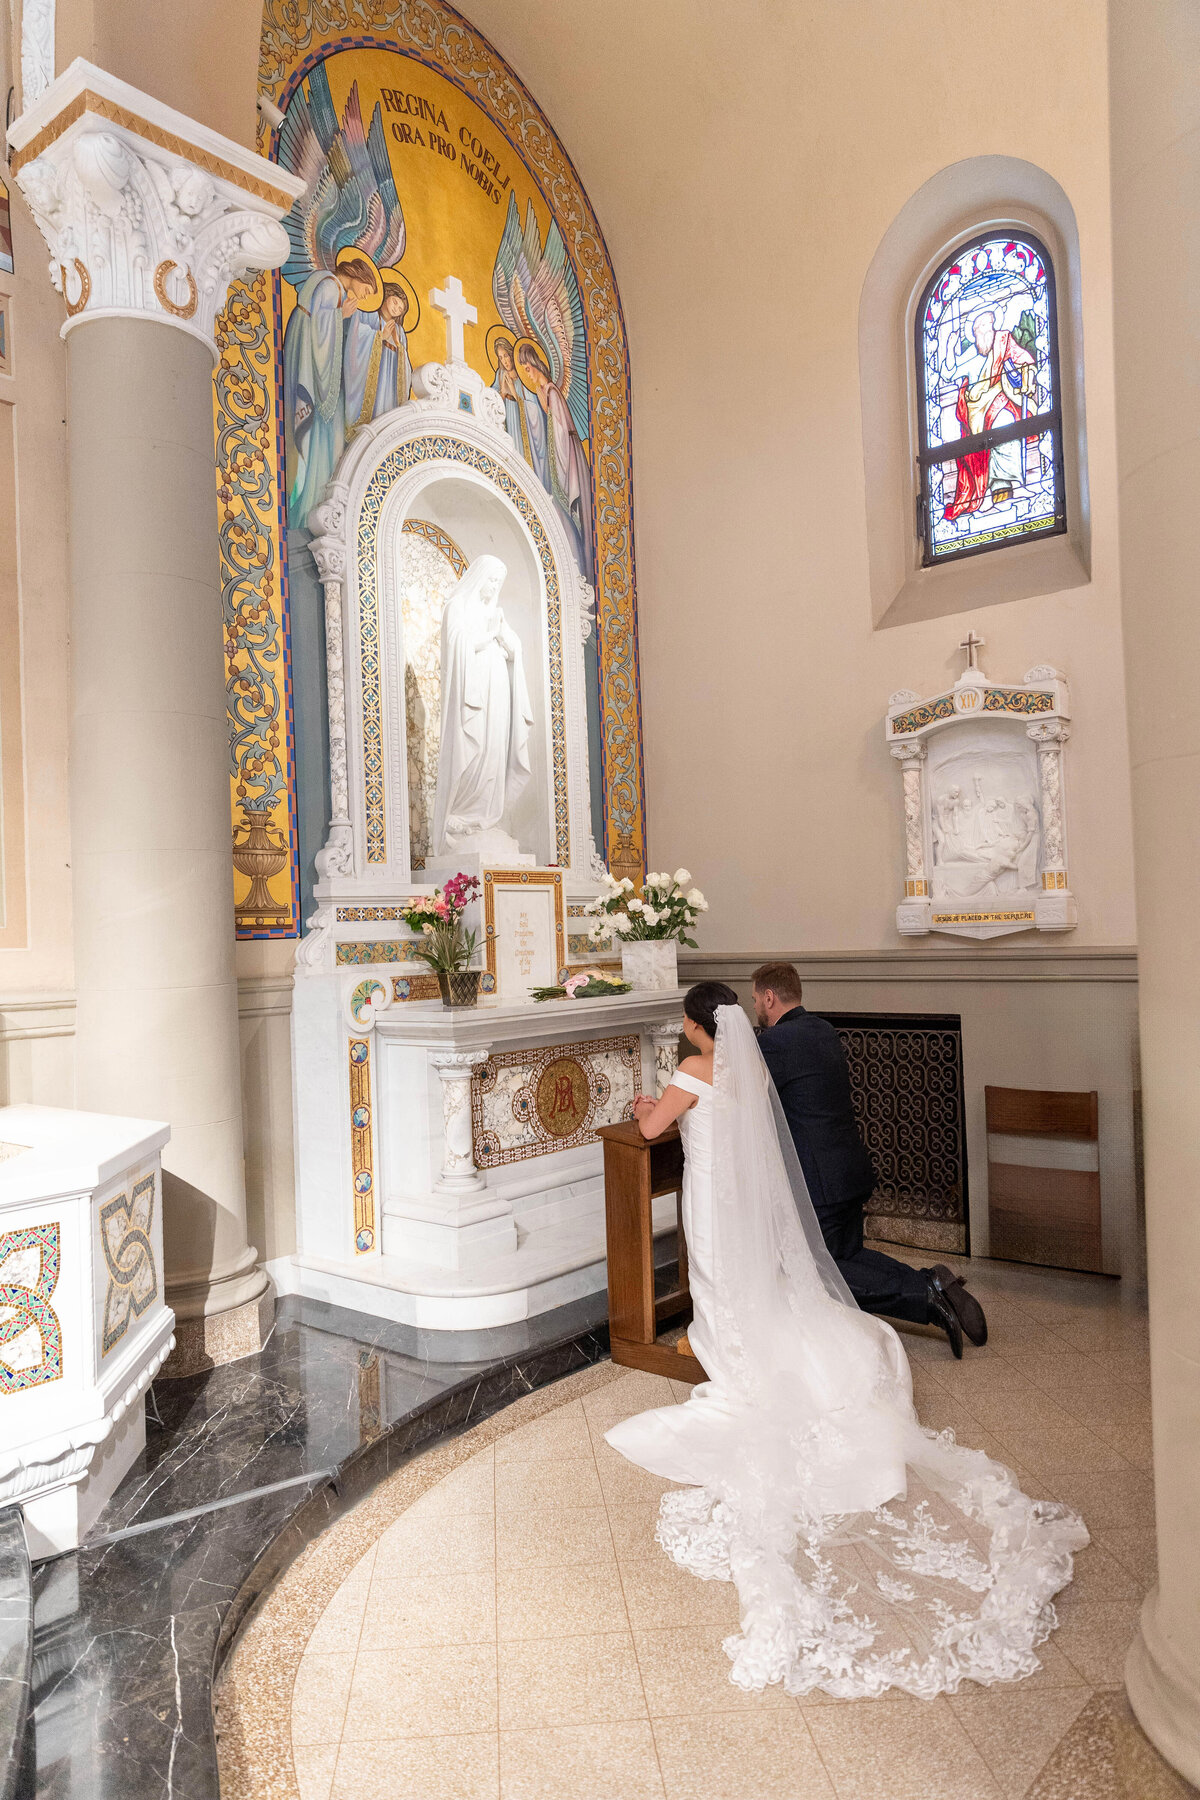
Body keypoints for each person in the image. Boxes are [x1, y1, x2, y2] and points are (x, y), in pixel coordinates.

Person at [606, 985, 1086, 1700]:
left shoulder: (695, 1071)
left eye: (683, 1018)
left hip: (712, 1202)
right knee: (753, 1286)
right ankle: (822, 1328)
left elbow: (651, 1133)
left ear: (694, 1024)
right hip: (744, 1203)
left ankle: (734, 1362)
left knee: (720, 1285)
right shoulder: (748, 1069)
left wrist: (648, 1108)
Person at [751, 962, 986, 1358]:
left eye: (756, 998)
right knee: (850, 1256)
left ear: (770, 997)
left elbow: (744, 1089)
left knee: (821, 1272)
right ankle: (934, 1280)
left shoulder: (775, 1043)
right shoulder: (824, 1030)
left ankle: (926, 1294)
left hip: (818, 1180)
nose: (755, 1004)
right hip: (849, 1168)